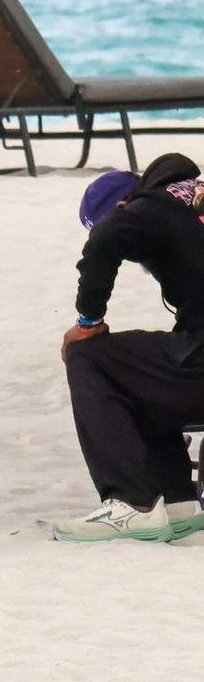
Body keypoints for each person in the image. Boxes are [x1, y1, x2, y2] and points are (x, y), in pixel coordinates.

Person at [56, 155, 204, 544]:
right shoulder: (190, 201)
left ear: (125, 206)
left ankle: (131, 502)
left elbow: (106, 239)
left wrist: (88, 321)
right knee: (142, 371)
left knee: (89, 356)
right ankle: (178, 501)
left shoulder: (151, 205)